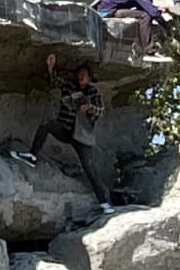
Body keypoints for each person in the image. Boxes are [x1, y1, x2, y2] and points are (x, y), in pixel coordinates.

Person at [10, 53, 112, 209]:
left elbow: (101, 111)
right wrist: (51, 67)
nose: (80, 77)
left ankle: (104, 204)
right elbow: (57, 81)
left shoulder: (94, 93)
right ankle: (32, 156)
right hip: (65, 129)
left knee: (90, 170)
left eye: (84, 75)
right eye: (79, 74)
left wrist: (90, 107)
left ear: (90, 78)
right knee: (47, 124)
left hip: (82, 136)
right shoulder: (70, 86)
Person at [94, 0, 170, 57]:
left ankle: (145, 46)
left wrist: (157, 11)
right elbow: (153, 13)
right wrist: (166, 26)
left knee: (145, 15)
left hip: (114, 10)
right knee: (145, 16)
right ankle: (149, 50)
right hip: (108, 12)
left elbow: (146, 9)